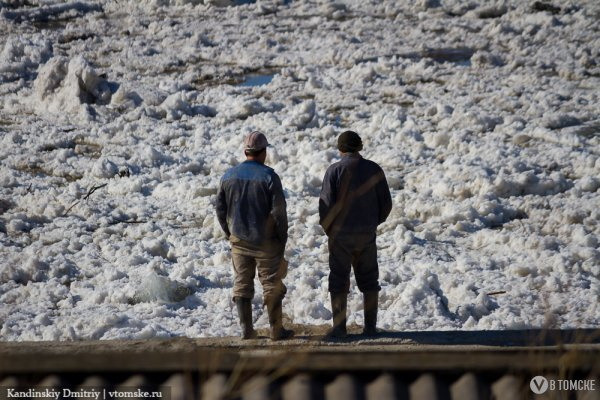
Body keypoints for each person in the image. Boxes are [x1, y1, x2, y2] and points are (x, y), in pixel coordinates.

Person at [216, 131, 293, 340]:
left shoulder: (228, 176)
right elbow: (279, 213)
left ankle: (247, 330)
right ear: (264, 152)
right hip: (266, 243)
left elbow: (220, 210)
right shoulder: (269, 177)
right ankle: (276, 330)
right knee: (271, 284)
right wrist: (281, 239)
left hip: (239, 241)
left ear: (245, 151)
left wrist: (229, 233)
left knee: (242, 283)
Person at [319, 130, 392, 338]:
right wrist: (372, 223)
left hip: (340, 236)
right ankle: (369, 328)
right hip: (366, 235)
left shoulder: (334, 171)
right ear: (359, 147)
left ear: (340, 149)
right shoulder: (374, 169)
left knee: (339, 280)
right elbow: (386, 204)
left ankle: (340, 329)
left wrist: (331, 230)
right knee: (369, 280)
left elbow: (325, 206)